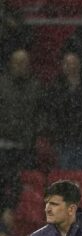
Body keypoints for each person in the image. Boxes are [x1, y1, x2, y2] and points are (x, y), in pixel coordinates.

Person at [0, 49, 42, 213]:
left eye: (24, 62)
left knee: (23, 187)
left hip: (25, 146)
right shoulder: (2, 84)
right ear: (11, 64)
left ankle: (20, 218)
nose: (20, 66)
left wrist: (33, 132)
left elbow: (41, 114)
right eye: (17, 62)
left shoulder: (35, 86)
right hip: (3, 145)